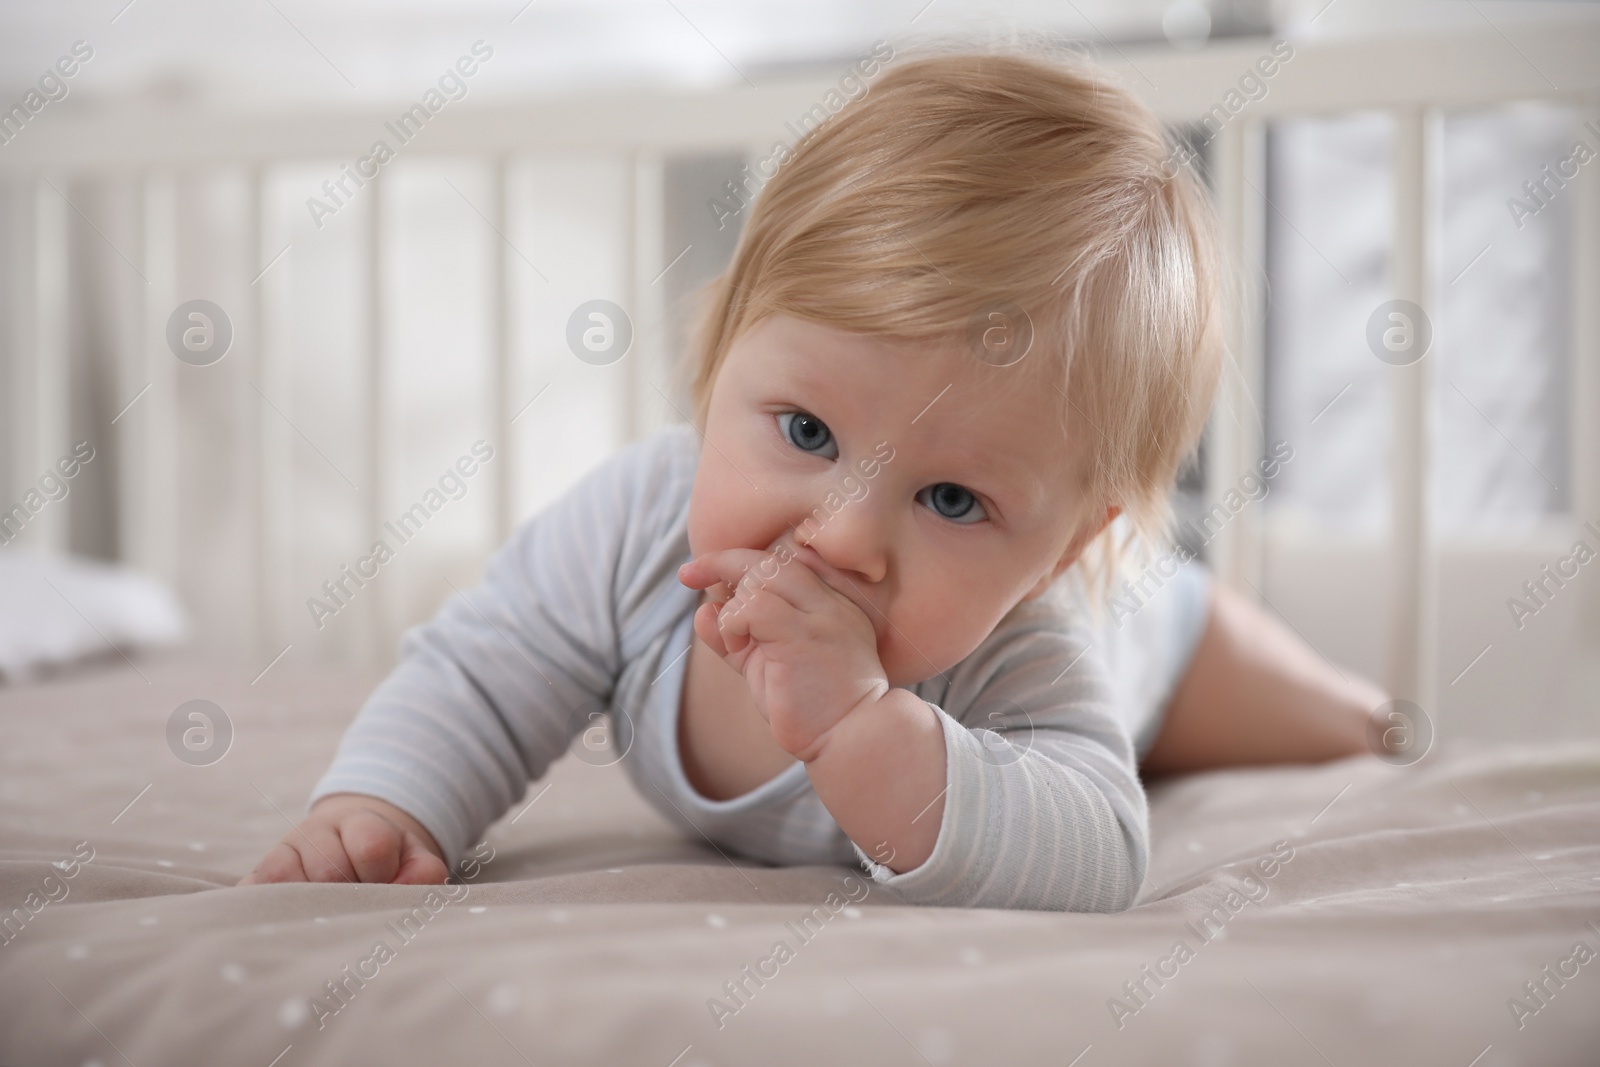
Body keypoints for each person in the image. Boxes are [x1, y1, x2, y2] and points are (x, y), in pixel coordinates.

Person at [238, 47, 1383, 910]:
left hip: (1161, 637)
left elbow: (1096, 847)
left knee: (1339, 725)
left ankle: (1374, 710)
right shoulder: (633, 524)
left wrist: (863, 725)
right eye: (804, 429)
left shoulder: (1020, 646)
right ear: (716, 355)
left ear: (1062, 549)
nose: (840, 537)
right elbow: (484, 675)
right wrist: (380, 808)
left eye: (949, 499)